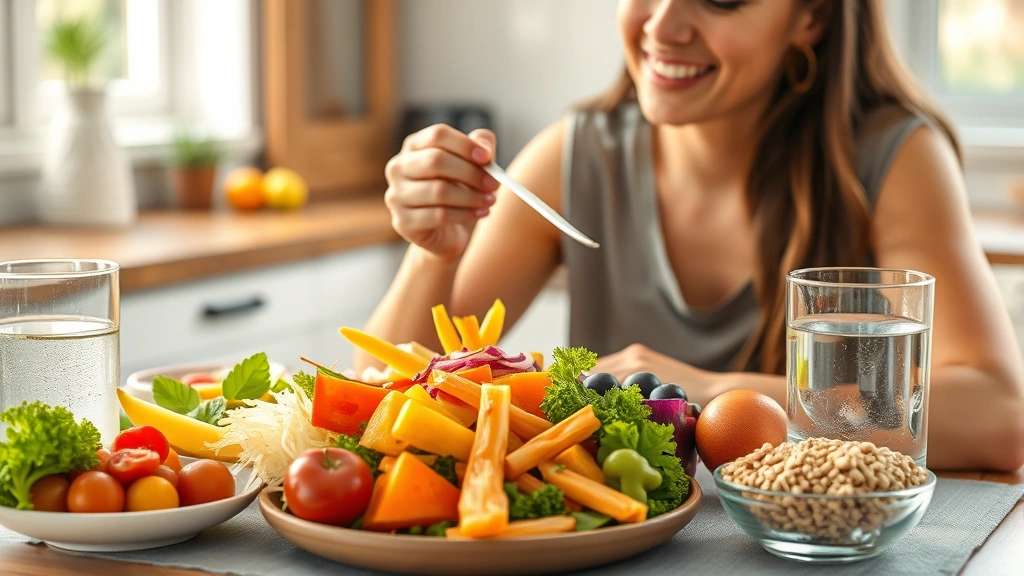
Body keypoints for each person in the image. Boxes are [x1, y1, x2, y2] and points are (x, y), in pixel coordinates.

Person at [360, 0, 1024, 471]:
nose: (663, 24)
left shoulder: (892, 158)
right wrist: (432, 254)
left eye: (721, 1)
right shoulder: (572, 158)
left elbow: (999, 416)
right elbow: (369, 398)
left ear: (811, 17)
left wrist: (712, 390)